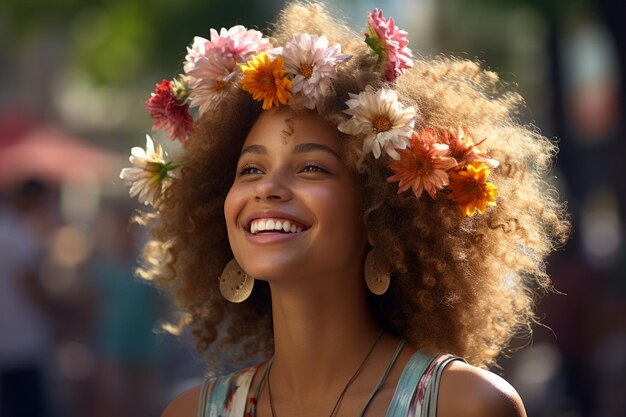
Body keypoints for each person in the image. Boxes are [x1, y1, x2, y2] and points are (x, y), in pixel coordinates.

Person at [120, 2, 570, 416]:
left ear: (380, 212)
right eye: (251, 169)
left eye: (312, 167)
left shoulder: (465, 404)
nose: (268, 188)